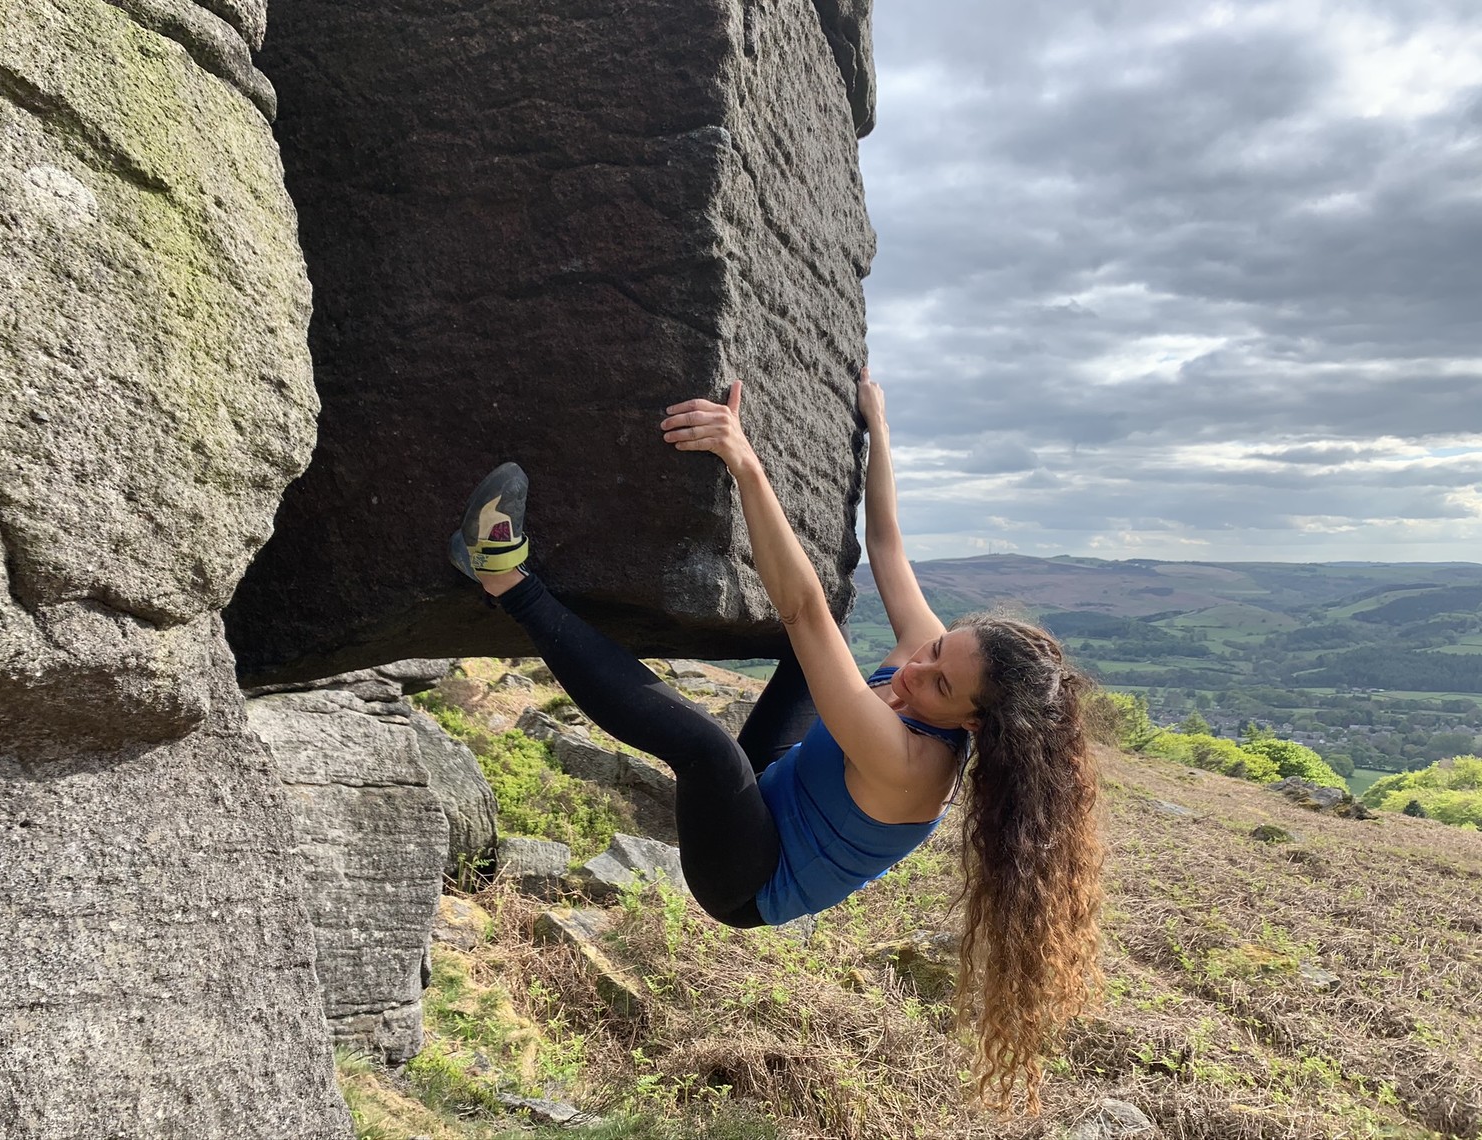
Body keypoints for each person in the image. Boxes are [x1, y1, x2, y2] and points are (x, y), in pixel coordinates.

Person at [449, 367, 1103, 1112]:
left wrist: (743, 458)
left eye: (940, 685)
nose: (914, 668)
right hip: (778, 790)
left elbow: (802, 609)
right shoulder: (931, 663)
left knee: (709, 749)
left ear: (975, 724)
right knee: (815, 658)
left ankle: (501, 576)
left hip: (747, 881)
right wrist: (878, 430)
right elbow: (886, 545)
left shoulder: (914, 768)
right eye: (934, 648)